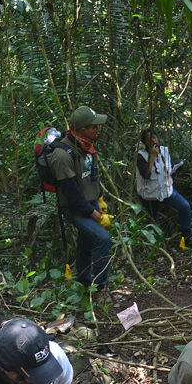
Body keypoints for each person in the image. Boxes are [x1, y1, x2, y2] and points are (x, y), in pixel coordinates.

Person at [50, 106, 112, 291]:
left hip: (90, 202)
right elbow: (72, 193)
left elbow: (93, 176)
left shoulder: (87, 146)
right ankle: (99, 288)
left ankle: (83, 281)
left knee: (87, 242)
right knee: (103, 238)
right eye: (95, 127)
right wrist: (93, 213)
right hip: (75, 208)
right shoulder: (62, 156)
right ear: (83, 130)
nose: (98, 130)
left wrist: (100, 199)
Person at [135, 129, 192, 246]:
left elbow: (167, 169)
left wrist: (177, 167)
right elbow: (146, 175)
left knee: (185, 206)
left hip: (165, 190)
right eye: (149, 139)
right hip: (149, 195)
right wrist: (152, 156)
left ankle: (186, 238)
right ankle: (157, 245)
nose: (154, 141)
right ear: (145, 143)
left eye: (155, 137)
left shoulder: (164, 151)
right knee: (154, 221)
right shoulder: (140, 156)